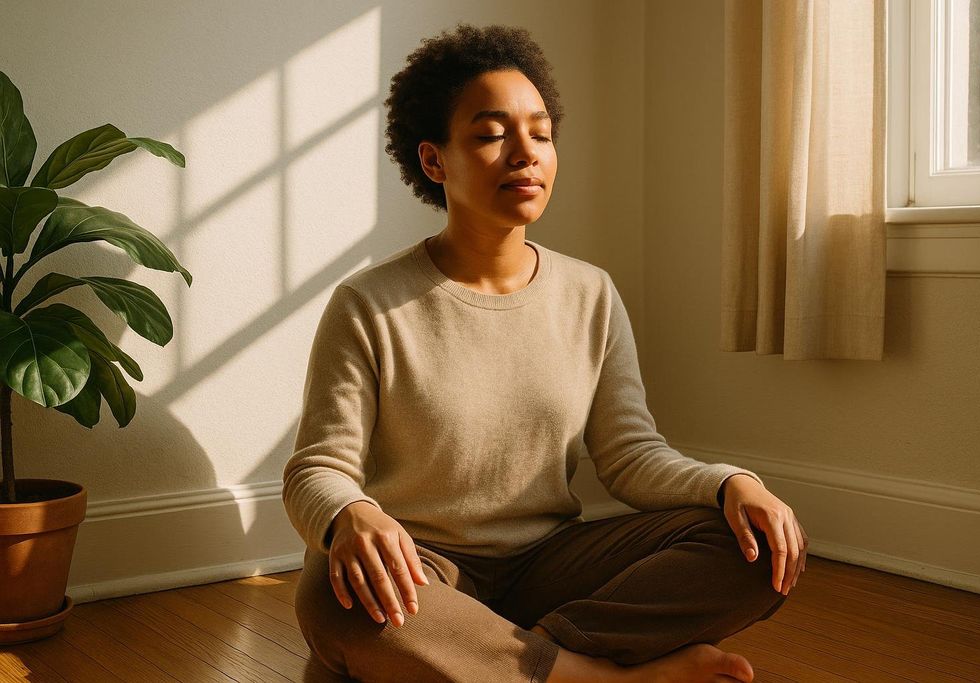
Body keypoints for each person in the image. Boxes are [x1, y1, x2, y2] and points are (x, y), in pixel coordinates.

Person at [282, 22, 809, 683]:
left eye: (541, 132)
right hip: (420, 569)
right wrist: (352, 513)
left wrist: (732, 481)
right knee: (333, 596)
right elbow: (314, 470)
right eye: (491, 132)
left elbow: (631, 456)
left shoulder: (590, 293)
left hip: (550, 568)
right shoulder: (367, 302)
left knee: (758, 547)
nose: (525, 152)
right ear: (434, 160)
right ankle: (600, 678)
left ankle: (500, 662)